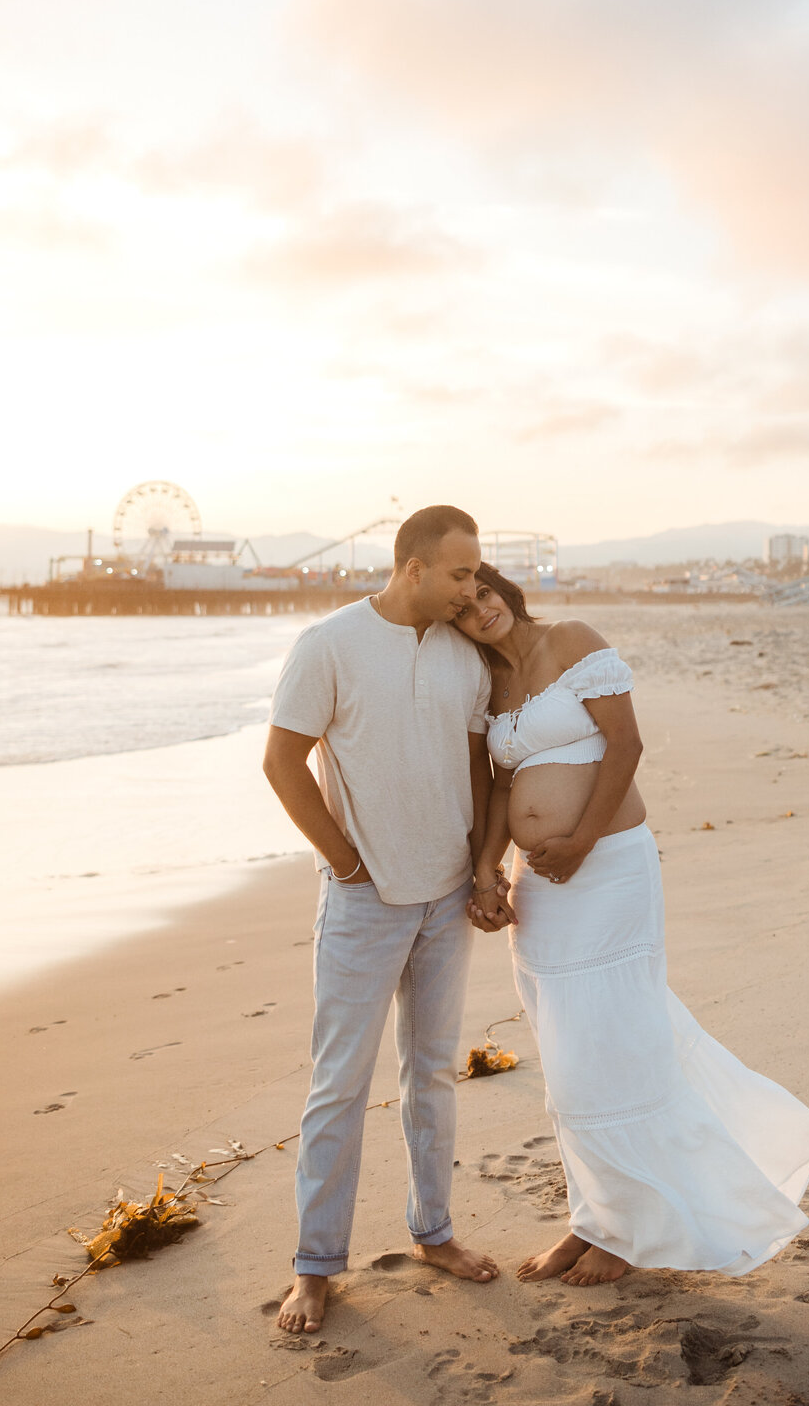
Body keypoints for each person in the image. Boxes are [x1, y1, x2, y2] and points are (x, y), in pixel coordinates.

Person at [455, 563, 809, 1287]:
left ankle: (628, 1232)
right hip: (544, 884)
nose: (481, 610)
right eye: (465, 604)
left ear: (507, 592)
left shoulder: (571, 639)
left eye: (488, 593)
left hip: (607, 871)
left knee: (613, 1047)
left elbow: (625, 746)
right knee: (567, 1059)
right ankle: (592, 1219)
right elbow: (504, 784)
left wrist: (580, 841)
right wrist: (487, 868)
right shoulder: (488, 683)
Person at [263, 506, 511, 1336]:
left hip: (445, 900)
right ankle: (313, 1266)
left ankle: (433, 1231)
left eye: (477, 574)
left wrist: (482, 869)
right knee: (339, 1084)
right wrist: (344, 862)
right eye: (458, 574)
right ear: (411, 567)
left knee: (431, 1073)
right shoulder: (329, 644)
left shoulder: (462, 656)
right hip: (363, 903)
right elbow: (281, 760)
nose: (471, 589)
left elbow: (479, 770)